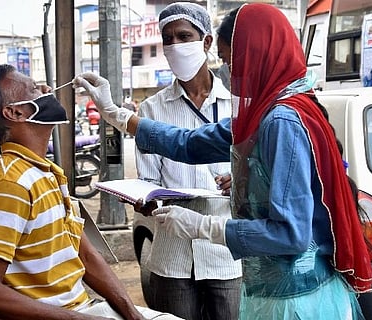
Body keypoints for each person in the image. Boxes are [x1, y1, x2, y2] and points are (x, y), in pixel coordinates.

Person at [73, 3, 372, 320]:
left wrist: (204, 226)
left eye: (234, 62)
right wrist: (116, 115)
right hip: (276, 290)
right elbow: (189, 144)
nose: (232, 73)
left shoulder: (281, 121)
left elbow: (291, 235)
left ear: (258, 57)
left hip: (298, 300)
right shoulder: (262, 115)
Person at [0, 64, 182, 320]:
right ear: (15, 112)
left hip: (80, 309)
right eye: (35, 89)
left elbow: (86, 256)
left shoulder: (46, 173)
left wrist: (132, 314)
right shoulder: (11, 184)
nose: (47, 89)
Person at [134, 3, 242, 320]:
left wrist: (242, 178)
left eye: (184, 36)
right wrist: (145, 199)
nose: (175, 46)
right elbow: (148, 182)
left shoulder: (236, 103)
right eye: (168, 39)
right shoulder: (152, 110)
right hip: (173, 255)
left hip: (226, 254)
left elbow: (259, 166)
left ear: (207, 42)